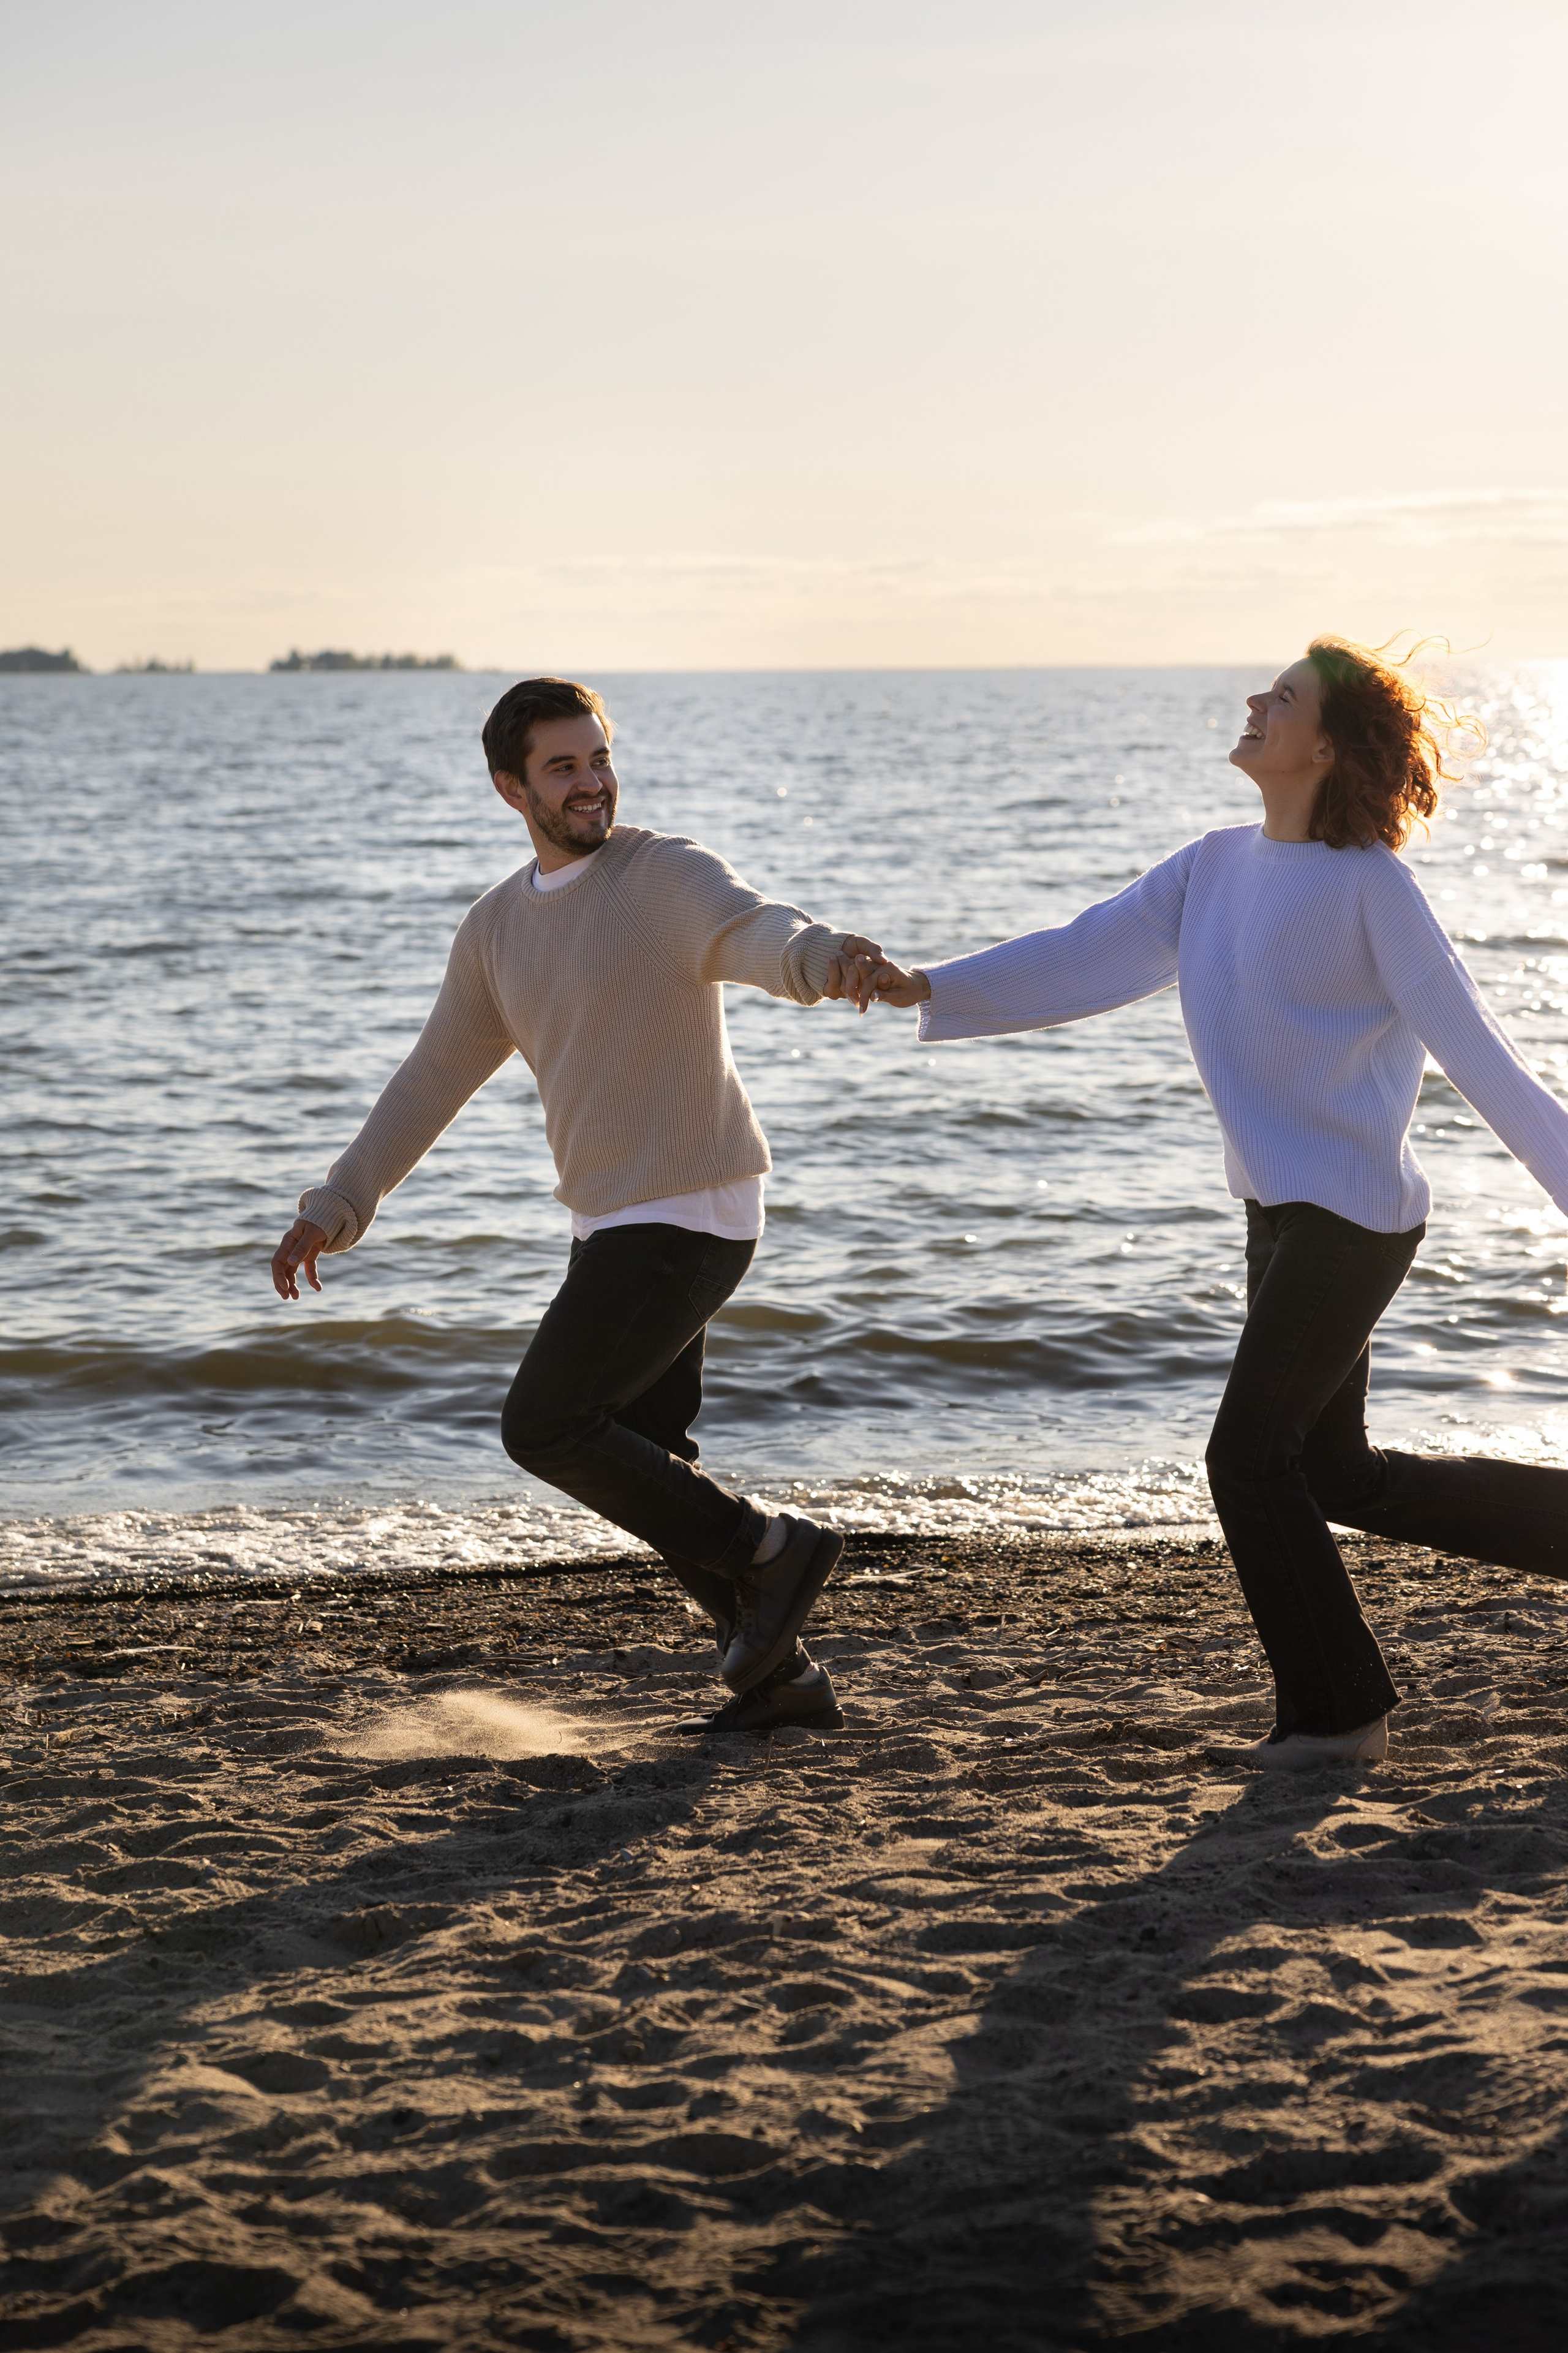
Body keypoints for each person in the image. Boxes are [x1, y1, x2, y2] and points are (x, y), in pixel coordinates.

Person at [864, 638, 1568, 1772]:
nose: (1255, 700)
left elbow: (1484, 1061)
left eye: (1282, 697)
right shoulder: (1211, 867)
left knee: (1246, 1460)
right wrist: (930, 985)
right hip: (1280, 1219)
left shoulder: (1374, 889)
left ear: (1327, 745)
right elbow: (1081, 955)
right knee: (1337, 1474)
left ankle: (1339, 1714)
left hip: (1356, 1224)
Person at [272, 675, 882, 1735]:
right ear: (512, 787)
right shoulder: (498, 928)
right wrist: (340, 1200)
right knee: (650, 1464)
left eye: (599, 758)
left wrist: (826, 961)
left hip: (693, 1206)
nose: (592, 782)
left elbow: (756, 931)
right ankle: (783, 1682)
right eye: (564, 766)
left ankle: (778, 1550)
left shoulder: (663, 873)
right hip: (611, 1219)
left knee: (547, 1422)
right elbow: (431, 1078)